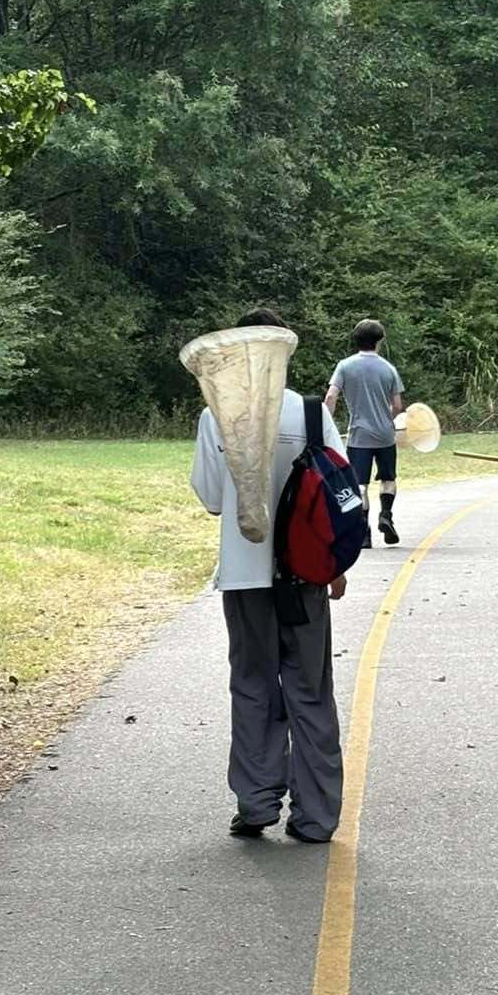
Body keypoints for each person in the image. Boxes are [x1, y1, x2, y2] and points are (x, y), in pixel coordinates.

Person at [193, 309, 348, 844]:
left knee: (253, 685)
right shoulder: (310, 413)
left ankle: (256, 803)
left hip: (243, 577)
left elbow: (213, 500)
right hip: (304, 576)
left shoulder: (215, 414)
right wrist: (337, 567)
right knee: (310, 690)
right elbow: (340, 495)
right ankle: (317, 816)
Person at [326, 319, 405, 548]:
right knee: (388, 479)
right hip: (385, 435)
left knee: (360, 484)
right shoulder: (388, 368)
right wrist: (386, 420)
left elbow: (331, 397)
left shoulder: (344, 366)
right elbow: (398, 405)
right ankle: (386, 515)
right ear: (379, 341)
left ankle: (364, 532)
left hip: (359, 434)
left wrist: (327, 424)